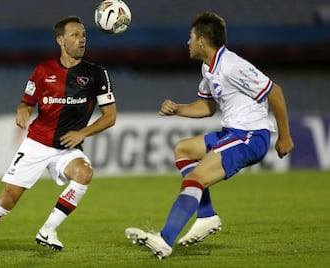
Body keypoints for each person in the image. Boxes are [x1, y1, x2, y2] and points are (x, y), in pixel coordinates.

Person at [125, 12, 294, 259]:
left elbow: (275, 91)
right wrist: (178, 109)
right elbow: (207, 107)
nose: (188, 42)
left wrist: (284, 136)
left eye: (191, 37)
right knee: (183, 149)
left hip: (250, 136)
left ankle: (165, 239)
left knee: (195, 178)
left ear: (202, 41)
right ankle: (206, 215)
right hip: (232, 133)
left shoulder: (232, 66)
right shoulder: (209, 68)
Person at [0, 16, 117, 260]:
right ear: (60, 40)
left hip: (67, 148)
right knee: (8, 198)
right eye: (75, 35)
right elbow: (27, 103)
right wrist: (22, 112)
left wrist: (82, 133)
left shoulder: (97, 74)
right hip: (37, 144)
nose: (81, 40)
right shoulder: (42, 71)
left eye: (84, 35)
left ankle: (48, 230)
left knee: (84, 173)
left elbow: (110, 117)